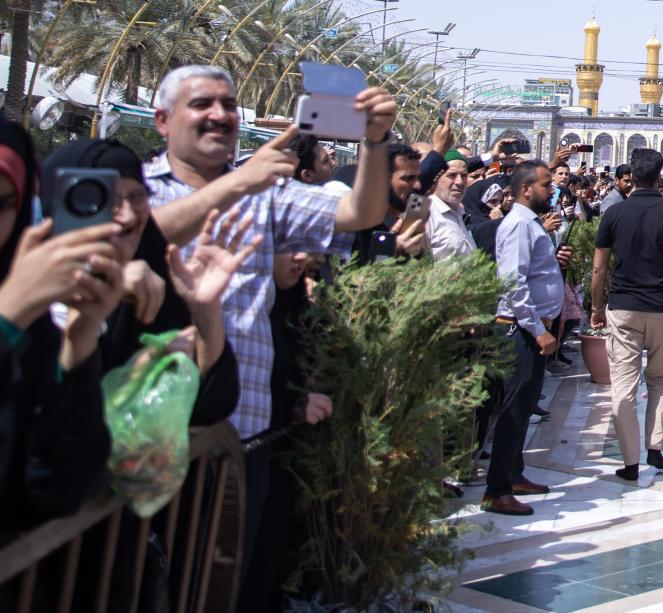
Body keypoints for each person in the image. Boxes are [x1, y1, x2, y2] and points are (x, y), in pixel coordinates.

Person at [141, 65, 396, 556]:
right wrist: (237, 184)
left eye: (228, 105)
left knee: (224, 579)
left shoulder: (266, 195)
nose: (220, 115)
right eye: (201, 104)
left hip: (242, 439)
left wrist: (375, 141)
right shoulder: (138, 187)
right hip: (153, 436)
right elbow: (134, 239)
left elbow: (359, 214)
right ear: (163, 121)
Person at [45, 137, 246, 431]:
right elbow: (48, 405)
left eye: (137, 196)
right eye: (108, 199)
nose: (127, 215)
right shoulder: (33, 292)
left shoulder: (154, 287)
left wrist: (205, 312)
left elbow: (210, 405)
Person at [0, 116, 123, 530]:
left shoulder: (34, 335)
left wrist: (79, 342)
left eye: (3, 204)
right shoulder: (17, 315)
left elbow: (60, 487)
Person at [591, 147, 663, 482]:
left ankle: (629, 462)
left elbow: (599, 268)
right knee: (661, 379)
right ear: (658, 177)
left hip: (624, 307)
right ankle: (655, 449)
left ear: (631, 177)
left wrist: (596, 307)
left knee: (624, 386)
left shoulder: (614, 213)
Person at [485, 160, 574, 515]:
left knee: (524, 406)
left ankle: (513, 474)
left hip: (532, 327)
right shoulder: (519, 225)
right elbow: (513, 282)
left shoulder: (530, 223)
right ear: (525, 189)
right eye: (546, 184)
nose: (552, 190)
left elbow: (533, 271)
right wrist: (538, 330)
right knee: (512, 408)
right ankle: (496, 490)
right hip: (519, 329)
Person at [424, 153, 477, 258]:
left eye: (464, 176)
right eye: (451, 175)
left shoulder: (460, 213)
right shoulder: (427, 214)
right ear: (435, 178)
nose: (459, 182)